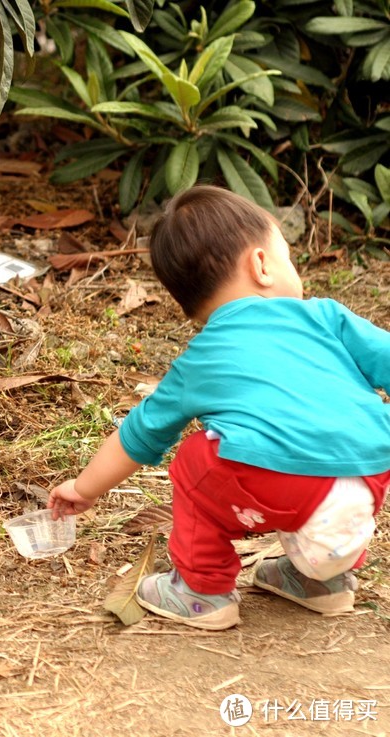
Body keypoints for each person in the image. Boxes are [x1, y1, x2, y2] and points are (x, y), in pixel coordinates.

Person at [47, 185, 390, 630]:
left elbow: (140, 434)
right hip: (369, 471)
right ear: (262, 265)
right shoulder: (327, 316)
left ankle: (202, 590)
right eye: (288, 255)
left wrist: (85, 488)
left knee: (196, 462)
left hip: (281, 486)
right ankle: (325, 581)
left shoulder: (201, 358)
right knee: (301, 450)